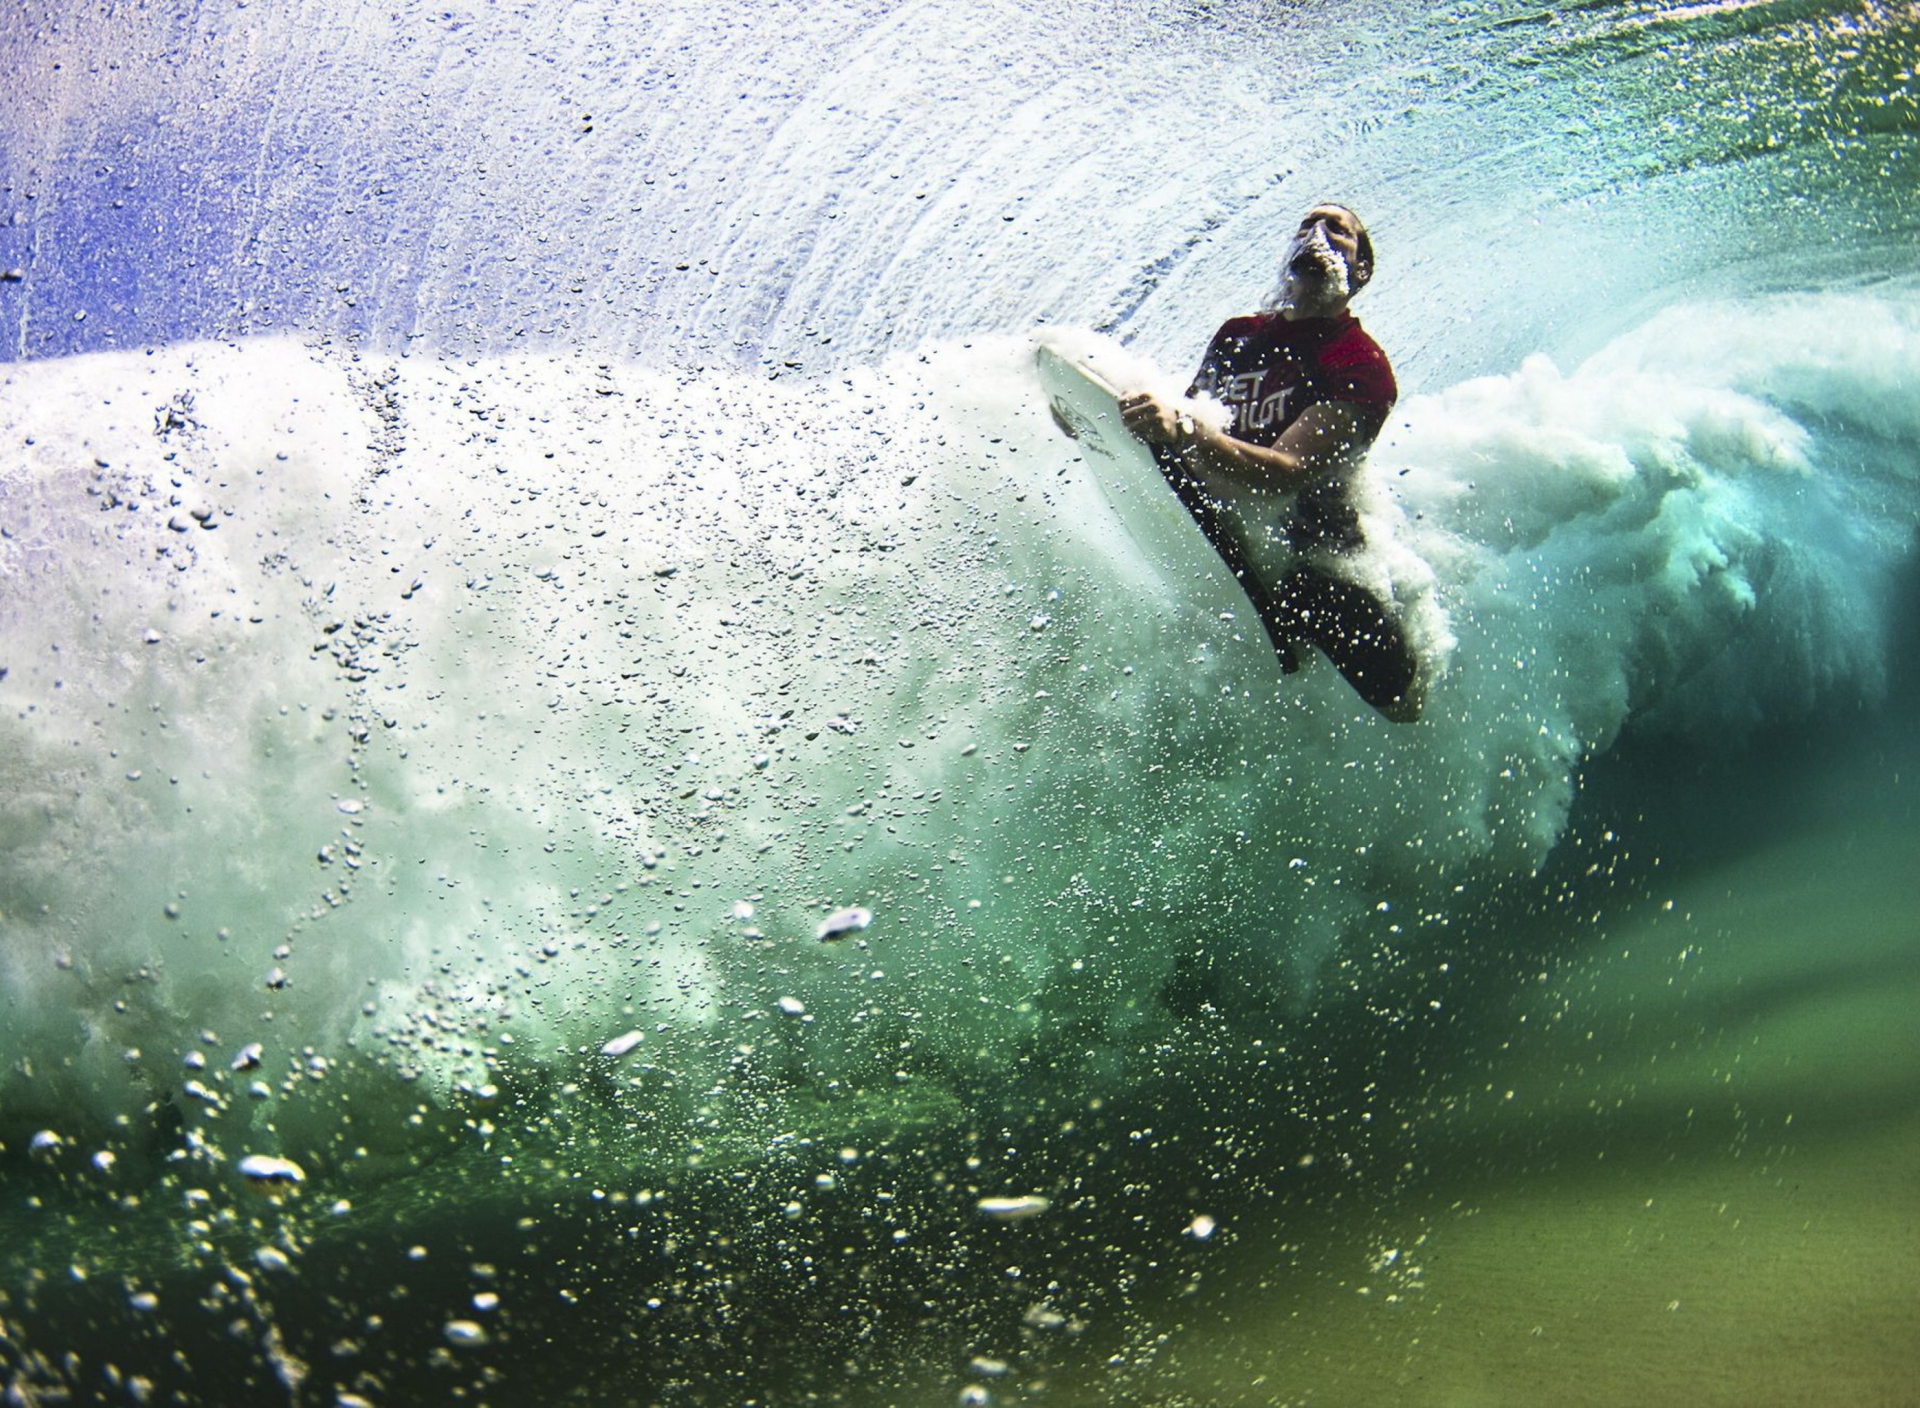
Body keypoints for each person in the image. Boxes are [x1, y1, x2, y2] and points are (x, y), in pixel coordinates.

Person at [1118, 202, 1421, 722]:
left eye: (1337, 230)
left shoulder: (1358, 362)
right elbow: (1186, 423)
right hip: (1232, 523)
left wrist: (1183, 428)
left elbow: (1287, 472)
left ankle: (1408, 691)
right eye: (1306, 226)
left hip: (1317, 554)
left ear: (1360, 270)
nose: (1316, 235)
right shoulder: (1238, 335)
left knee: (1395, 698)